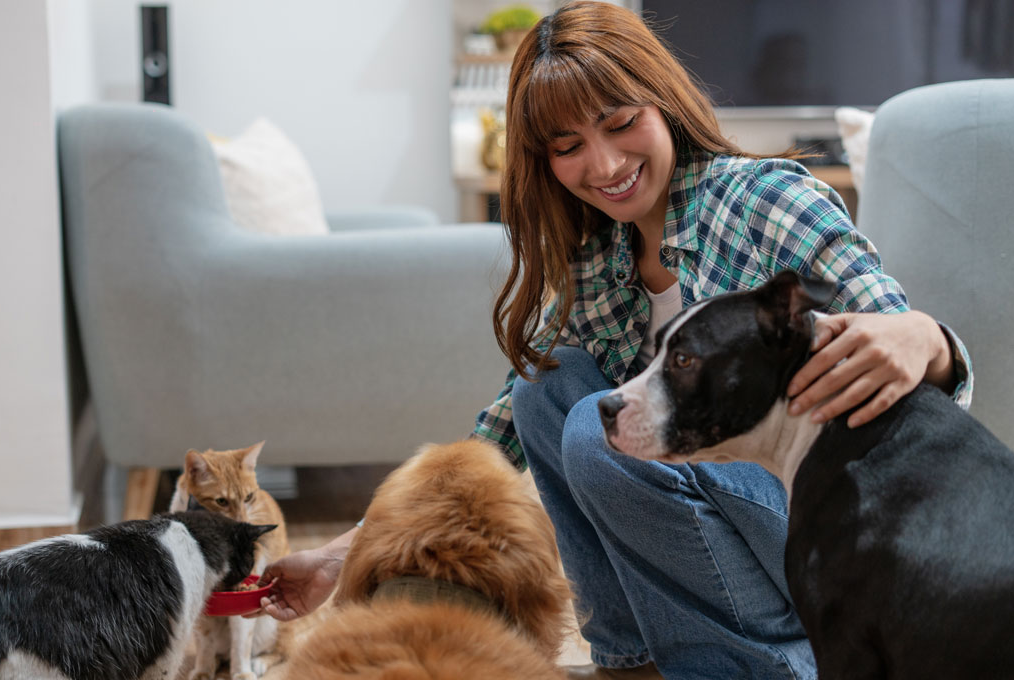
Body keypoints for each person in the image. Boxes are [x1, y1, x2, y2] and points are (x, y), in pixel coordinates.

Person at [248, 3, 973, 679]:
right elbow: (495, 437)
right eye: (568, 146)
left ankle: (759, 665)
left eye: (620, 122)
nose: (603, 165)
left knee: (601, 436)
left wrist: (925, 335)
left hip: (820, 535)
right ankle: (631, 661)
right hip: (729, 526)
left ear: (662, 101)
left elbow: (905, 355)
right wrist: (343, 556)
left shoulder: (764, 200)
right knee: (546, 389)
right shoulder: (600, 259)